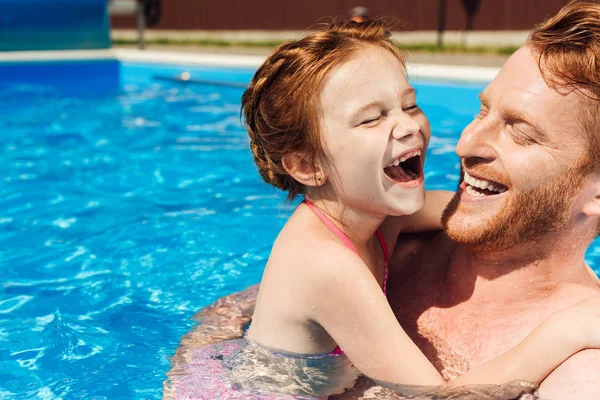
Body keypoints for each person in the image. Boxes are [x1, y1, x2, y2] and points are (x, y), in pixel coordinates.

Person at [165, 11, 600, 399]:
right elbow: (435, 398)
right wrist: (560, 334)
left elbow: (486, 211)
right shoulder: (327, 265)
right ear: (307, 165)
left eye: (410, 105)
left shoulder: (379, 217)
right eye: (372, 118)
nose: (408, 126)